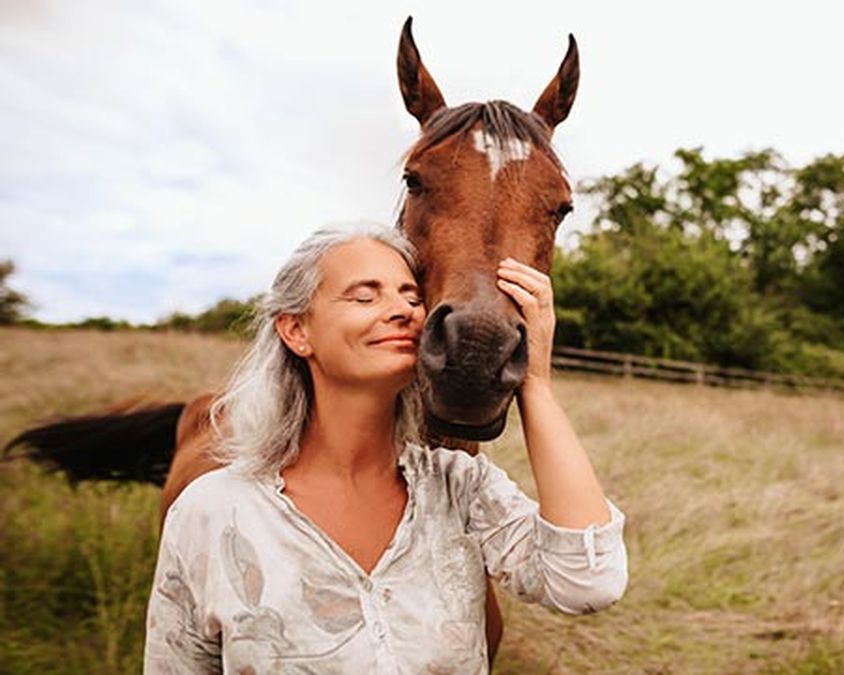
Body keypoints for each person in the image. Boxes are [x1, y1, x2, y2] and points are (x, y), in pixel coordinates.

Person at [142, 224, 627, 673]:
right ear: (296, 331)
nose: (402, 310)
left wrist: (535, 383)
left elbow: (587, 581)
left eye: (411, 296)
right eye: (364, 295)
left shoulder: (460, 489)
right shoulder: (210, 512)